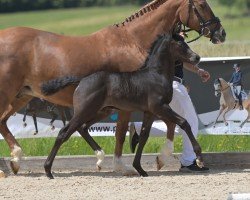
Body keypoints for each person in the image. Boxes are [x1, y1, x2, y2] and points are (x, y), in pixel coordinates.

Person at [129, 33, 210, 173]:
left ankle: (137, 128)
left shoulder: (165, 40)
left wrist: (198, 70)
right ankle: (188, 162)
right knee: (191, 122)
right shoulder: (170, 41)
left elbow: (182, 61)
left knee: (179, 124)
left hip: (166, 85)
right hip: (174, 85)